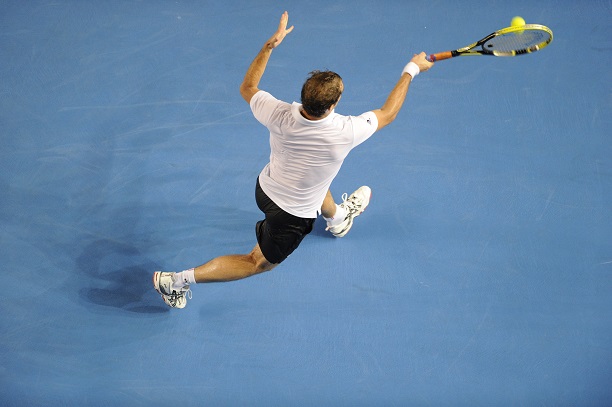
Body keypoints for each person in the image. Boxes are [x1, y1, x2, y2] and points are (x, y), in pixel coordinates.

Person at [153, 11, 433, 308]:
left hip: (265, 188)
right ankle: (175, 281)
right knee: (257, 262)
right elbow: (388, 113)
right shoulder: (346, 131)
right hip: (291, 214)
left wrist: (269, 46)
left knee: (318, 178)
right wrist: (411, 70)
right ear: (333, 105)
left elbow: (247, 87)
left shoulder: (278, 112)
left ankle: (337, 218)